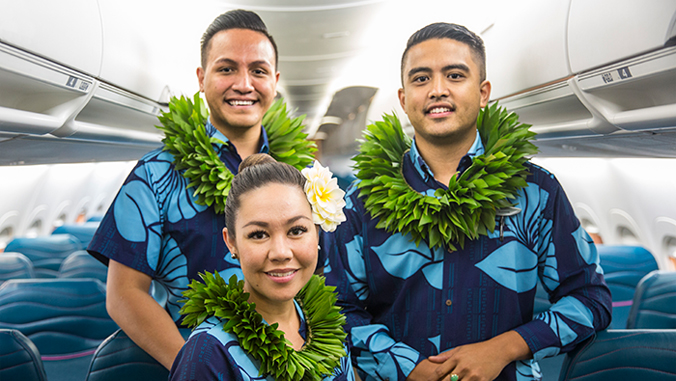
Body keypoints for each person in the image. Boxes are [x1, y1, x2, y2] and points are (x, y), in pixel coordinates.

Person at [324, 22, 612, 381]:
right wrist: (406, 366)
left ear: (483, 92)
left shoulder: (536, 190)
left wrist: (505, 348)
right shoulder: (361, 201)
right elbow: (335, 312)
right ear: (403, 99)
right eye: (421, 79)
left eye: (455, 76)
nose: (437, 90)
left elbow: (589, 299)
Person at [87, 10, 315, 369]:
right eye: (226, 69)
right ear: (201, 78)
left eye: (258, 70)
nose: (244, 84)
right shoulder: (156, 174)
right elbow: (124, 295)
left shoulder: (304, 177)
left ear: (274, 80)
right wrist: (199, 368)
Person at [169, 153, 353, 380]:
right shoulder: (207, 354)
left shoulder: (328, 326)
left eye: (296, 230)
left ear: (316, 233)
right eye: (258, 234)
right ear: (231, 242)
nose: (281, 253)